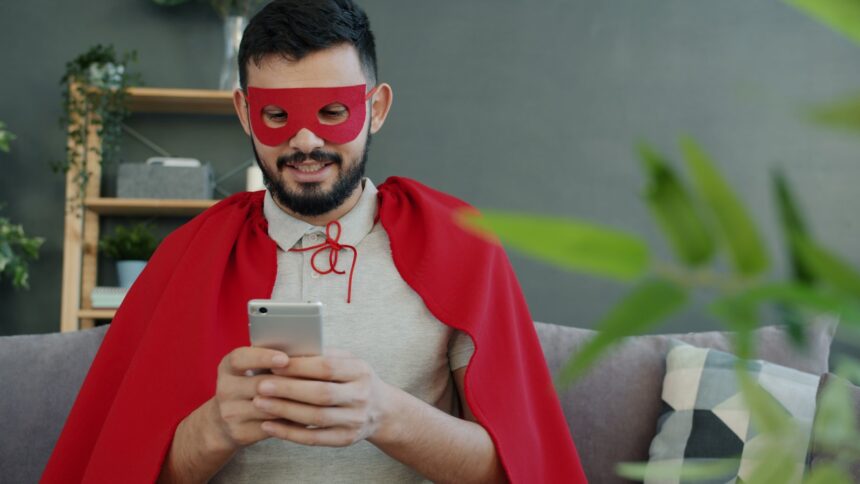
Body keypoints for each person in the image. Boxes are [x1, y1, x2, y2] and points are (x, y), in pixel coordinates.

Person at [42, 1, 587, 483]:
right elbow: (115, 469)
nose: (305, 141)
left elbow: (516, 470)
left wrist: (384, 414)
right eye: (277, 116)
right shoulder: (187, 256)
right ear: (244, 114)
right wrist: (213, 428)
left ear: (375, 108)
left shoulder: (459, 242)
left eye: (332, 112)